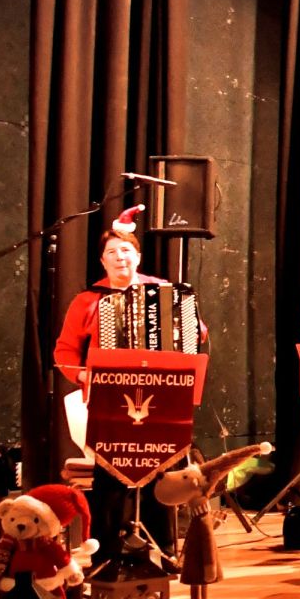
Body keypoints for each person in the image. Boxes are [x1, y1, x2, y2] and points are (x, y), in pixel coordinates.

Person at [53, 205, 204, 566]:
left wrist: (185, 319)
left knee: (163, 471)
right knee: (110, 476)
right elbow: (64, 351)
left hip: (161, 395)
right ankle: (107, 552)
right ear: (102, 261)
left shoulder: (163, 291)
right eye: (111, 252)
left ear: (137, 255)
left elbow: (198, 333)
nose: (119, 257)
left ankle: (163, 548)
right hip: (108, 400)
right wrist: (83, 375)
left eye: (125, 250)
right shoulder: (88, 300)